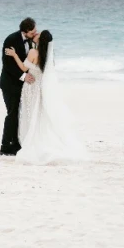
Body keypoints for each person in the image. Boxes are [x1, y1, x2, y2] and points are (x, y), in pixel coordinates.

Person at [5, 30, 88, 164]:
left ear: (41, 39)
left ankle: (28, 140)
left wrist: (14, 55)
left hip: (30, 87)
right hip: (40, 88)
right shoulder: (47, 57)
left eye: (38, 34)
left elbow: (23, 68)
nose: (35, 34)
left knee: (30, 113)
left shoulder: (33, 52)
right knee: (39, 115)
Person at [0, 17, 38, 156]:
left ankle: (17, 143)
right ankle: (6, 146)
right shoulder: (11, 40)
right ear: (25, 31)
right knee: (12, 113)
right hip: (10, 83)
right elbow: (7, 64)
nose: (35, 33)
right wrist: (23, 76)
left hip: (24, 86)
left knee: (21, 113)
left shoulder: (33, 42)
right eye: (33, 31)